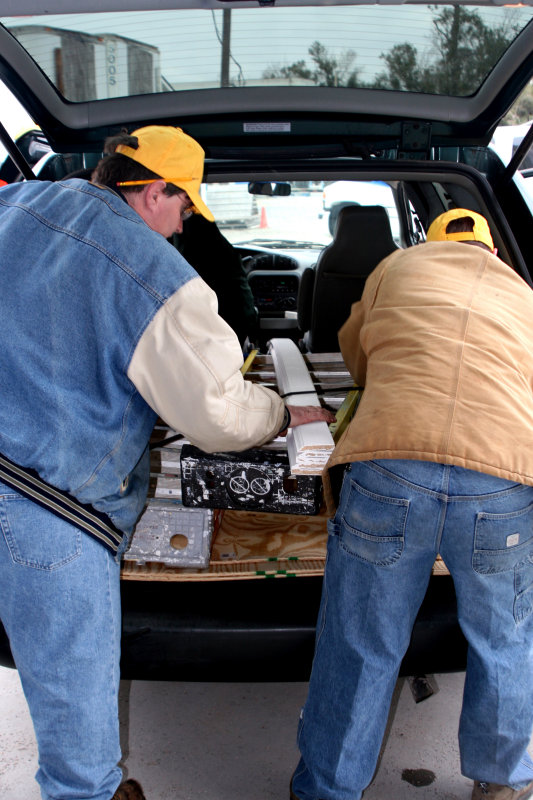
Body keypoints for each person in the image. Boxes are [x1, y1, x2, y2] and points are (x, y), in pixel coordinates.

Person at [0, 124, 333, 800]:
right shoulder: (156, 278)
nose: (181, 231)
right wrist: (280, 412)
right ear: (155, 191)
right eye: (183, 211)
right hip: (45, 511)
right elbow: (216, 417)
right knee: (74, 708)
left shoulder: (18, 204)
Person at [290, 208, 533, 800]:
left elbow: (358, 353)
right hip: (500, 478)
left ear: (430, 241)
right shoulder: (522, 292)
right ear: (492, 251)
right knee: (505, 641)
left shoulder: (396, 265)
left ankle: (326, 789)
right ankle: (501, 783)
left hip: (393, 462)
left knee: (362, 639)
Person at [172, 213, 259, 348]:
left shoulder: (177, 258)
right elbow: (244, 308)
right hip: (231, 336)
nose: (178, 228)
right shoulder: (226, 254)